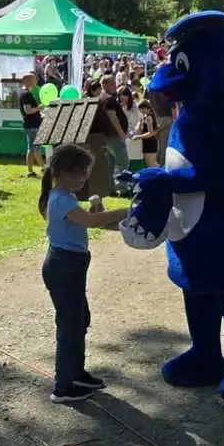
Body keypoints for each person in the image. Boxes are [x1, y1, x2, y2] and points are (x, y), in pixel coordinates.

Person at [39, 144, 128, 404]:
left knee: (80, 320)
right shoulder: (61, 199)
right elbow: (91, 222)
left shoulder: (65, 196)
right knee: (69, 326)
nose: (83, 179)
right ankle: (63, 386)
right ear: (64, 173)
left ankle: (75, 372)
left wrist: (96, 212)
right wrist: (127, 211)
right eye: (80, 175)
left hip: (72, 266)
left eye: (85, 175)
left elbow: (85, 220)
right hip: (64, 266)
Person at [19, 73, 44, 178]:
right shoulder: (26, 95)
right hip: (32, 124)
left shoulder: (27, 94)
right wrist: (40, 108)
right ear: (27, 81)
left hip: (32, 124)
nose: (35, 81)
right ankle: (42, 167)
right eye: (33, 79)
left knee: (32, 148)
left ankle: (35, 169)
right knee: (34, 148)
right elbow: (28, 110)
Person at [133, 98, 159, 167]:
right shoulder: (146, 116)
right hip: (147, 143)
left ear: (145, 108)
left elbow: (150, 133)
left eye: (141, 110)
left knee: (152, 165)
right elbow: (140, 130)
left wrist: (138, 137)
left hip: (150, 143)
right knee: (151, 164)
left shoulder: (148, 117)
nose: (140, 112)